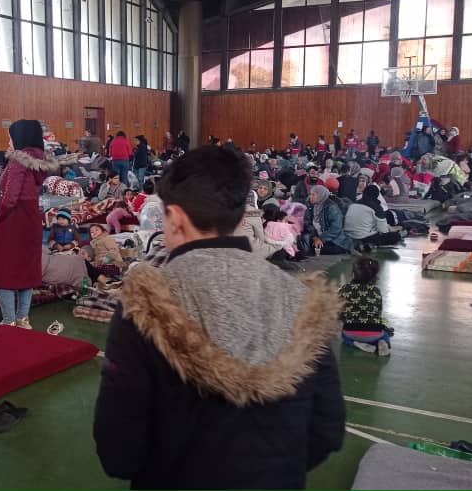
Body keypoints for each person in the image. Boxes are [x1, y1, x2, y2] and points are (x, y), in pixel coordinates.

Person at [93, 146, 345, 489]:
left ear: (175, 218)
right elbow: (327, 429)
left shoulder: (147, 302)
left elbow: (119, 450)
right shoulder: (299, 300)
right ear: (242, 217)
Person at [0, 120, 59, 329]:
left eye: (10, 137)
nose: (8, 141)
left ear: (20, 137)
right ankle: (22, 319)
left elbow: (10, 196)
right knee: (26, 271)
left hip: (13, 222)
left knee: (5, 272)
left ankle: (8, 321)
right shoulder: (37, 160)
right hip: (31, 221)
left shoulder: (19, 161)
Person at [338, 258, 392, 356]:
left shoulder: (345, 289)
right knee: (385, 335)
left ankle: (355, 343)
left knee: (344, 336)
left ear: (353, 274)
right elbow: (378, 313)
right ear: (374, 276)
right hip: (374, 332)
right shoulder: (376, 291)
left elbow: (339, 312)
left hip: (351, 331)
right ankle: (383, 343)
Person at [301, 185, 353, 255]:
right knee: (303, 243)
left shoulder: (331, 207)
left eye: (313, 195)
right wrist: (314, 237)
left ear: (320, 195)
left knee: (312, 250)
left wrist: (321, 239)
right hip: (318, 237)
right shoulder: (311, 206)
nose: (310, 197)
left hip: (336, 241)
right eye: (310, 194)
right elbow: (307, 223)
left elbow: (336, 228)